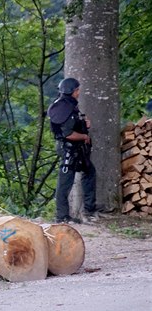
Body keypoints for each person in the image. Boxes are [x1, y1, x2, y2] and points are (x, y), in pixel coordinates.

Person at [47, 78, 99, 224]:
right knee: (65, 181)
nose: (79, 92)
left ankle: (89, 209)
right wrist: (84, 136)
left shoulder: (65, 105)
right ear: (74, 91)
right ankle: (62, 216)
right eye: (77, 89)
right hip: (69, 149)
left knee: (89, 172)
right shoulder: (66, 107)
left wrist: (84, 124)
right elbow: (67, 134)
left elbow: (71, 124)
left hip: (75, 148)